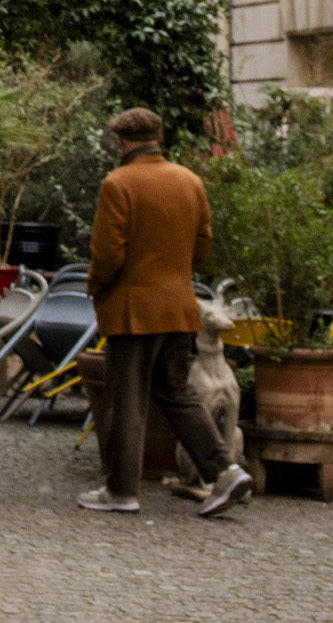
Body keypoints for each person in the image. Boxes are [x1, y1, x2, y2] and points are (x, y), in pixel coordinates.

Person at [73, 106, 253, 520]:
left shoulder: (118, 183)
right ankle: (224, 470)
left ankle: (121, 490)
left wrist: (98, 287)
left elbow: (108, 254)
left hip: (133, 308)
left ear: (122, 141)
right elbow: (202, 247)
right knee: (178, 393)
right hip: (179, 305)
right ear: (160, 137)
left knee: (126, 400)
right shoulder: (191, 182)